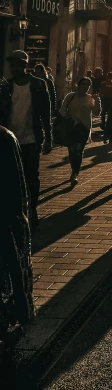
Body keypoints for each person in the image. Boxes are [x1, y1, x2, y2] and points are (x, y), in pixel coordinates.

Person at [0, 50, 52, 227]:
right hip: (10, 139)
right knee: (11, 177)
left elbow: (46, 112)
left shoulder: (38, 84)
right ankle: (16, 211)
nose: (13, 68)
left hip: (30, 138)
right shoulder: (6, 86)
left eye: (17, 64)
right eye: (11, 64)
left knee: (31, 177)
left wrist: (48, 137)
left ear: (25, 66)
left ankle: (32, 209)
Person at [0, 126, 35, 343]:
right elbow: (18, 188)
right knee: (9, 271)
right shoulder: (4, 138)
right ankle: (7, 321)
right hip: (5, 219)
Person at [59, 77, 101, 186]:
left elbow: (97, 112)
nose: (85, 87)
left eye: (87, 85)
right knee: (71, 150)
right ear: (78, 85)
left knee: (78, 149)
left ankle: (75, 173)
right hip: (71, 126)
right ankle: (74, 169)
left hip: (84, 127)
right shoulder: (70, 96)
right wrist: (66, 117)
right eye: (83, 84)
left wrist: (97, 101)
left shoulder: (90, 98)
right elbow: (63, 109)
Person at [99, 72, 112, 140]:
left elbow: (101, 92)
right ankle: (105, 126)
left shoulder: (103, 84)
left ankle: (104, 125)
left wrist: (100, 97)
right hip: (109, 99)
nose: (110, 79)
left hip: (106, 99)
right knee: (107, 114)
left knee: (104, 113)